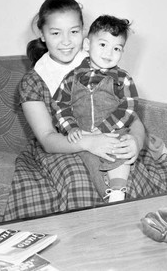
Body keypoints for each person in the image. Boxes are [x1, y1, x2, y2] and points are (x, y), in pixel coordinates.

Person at [3, 0, 167, 221]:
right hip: (64, 145)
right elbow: (47, 137)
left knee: (128, 169)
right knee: (77, 178)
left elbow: (132, 119)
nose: (66, 41)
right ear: (42, 34)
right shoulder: (33, 81)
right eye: (55, 33)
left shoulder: (102, 61)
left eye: (73, 31)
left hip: (109, 135)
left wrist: (136, 141)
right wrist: (90, 142)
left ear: (83, 33)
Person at [51, 15, 157, 203]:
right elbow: (60, 105)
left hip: (113, 131)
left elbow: (129, 106)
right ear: (86, 44)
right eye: (103, 45)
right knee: (88, 158)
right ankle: (104, 190)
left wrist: (106, 128)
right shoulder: (71, 78)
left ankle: (117, 190)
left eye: (117, 48)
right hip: (85, 134)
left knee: (119, 150)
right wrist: (71, 128)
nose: (109, 53)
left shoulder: (122, 79)